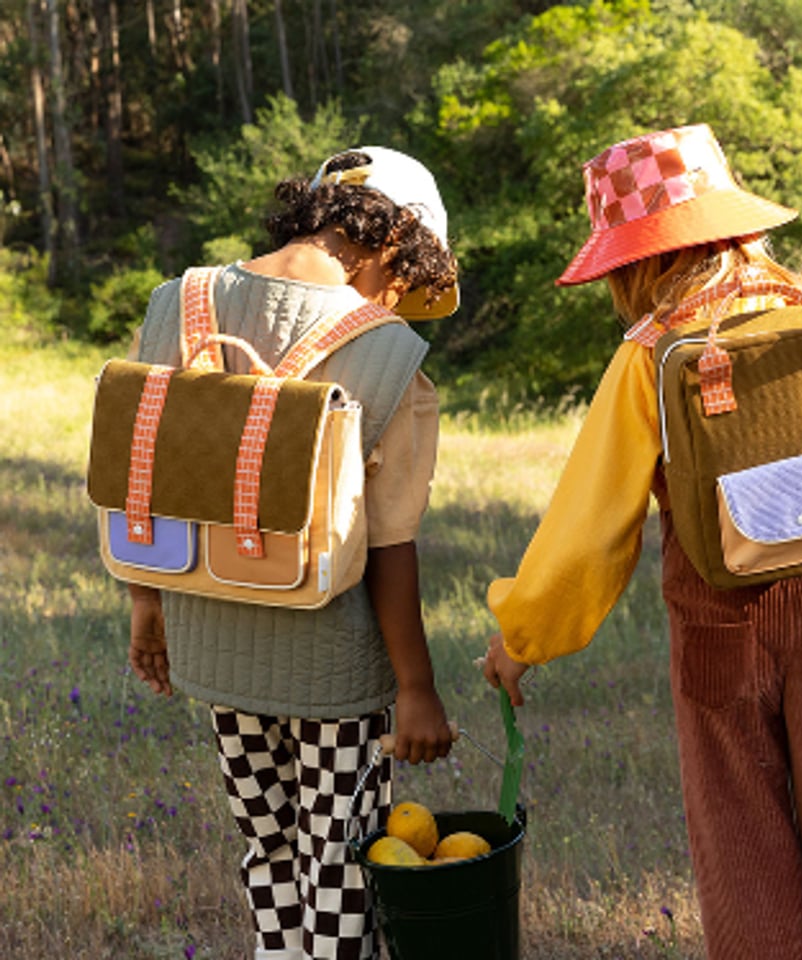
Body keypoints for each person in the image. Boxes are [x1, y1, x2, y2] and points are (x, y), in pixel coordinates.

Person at [482, 123, 802, 959]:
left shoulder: (652, 356)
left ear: (636, 260)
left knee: (740, 845)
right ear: (740, 225)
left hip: (717, 623)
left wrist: (524, 638)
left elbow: (592, 528)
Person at [126, 145, 458, 960]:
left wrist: (147, 609)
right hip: (334, 664)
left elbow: (149, 482)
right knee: (342, 862)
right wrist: (415, 690)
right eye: (403, 281)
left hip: (211, 632)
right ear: (395, 242)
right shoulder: (389, 353)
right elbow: (390, 542)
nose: (394, 302)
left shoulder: (179, 303)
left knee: (266, 847)